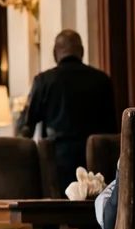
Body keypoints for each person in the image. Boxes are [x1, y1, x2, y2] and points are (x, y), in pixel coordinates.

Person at [13, 30, 119, 191]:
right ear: (81, 52)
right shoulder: (102, 80)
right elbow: (113, 129)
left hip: (57, 165)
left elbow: (26, 127)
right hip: (98, 166)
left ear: (55, 54)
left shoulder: (44, 81)